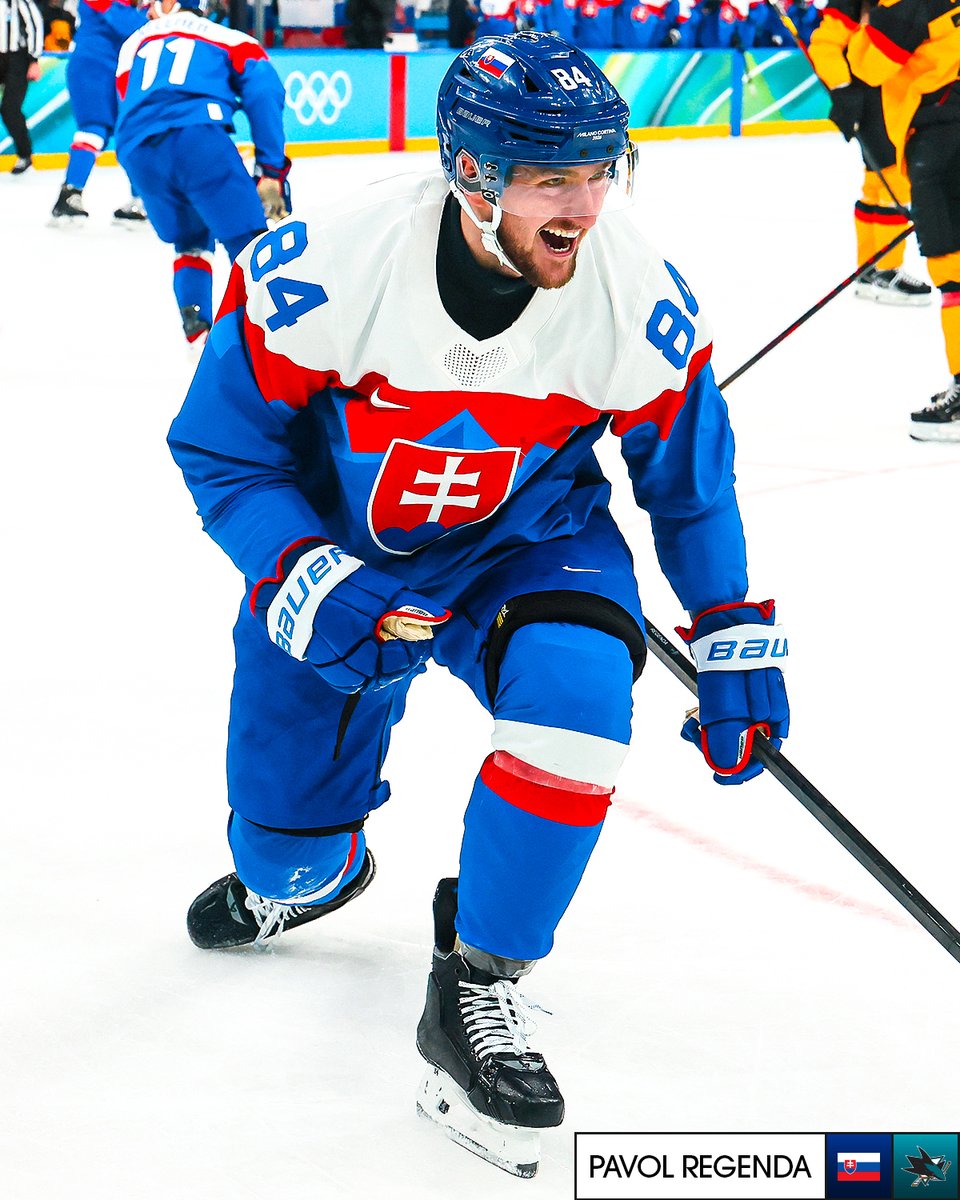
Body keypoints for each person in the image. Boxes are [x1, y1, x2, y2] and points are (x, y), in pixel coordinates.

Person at [167, 31, 789, 1177]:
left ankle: (480, 981)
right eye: (555, 177)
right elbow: (221, 448)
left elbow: (688, 487)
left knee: (578, 704)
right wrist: (299, 570)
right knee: (285, 859)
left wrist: (732, 628)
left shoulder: (638, 295)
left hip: (528, 545)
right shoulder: (325, 268)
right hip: (347, 561)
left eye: (602, 172)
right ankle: (307, 872)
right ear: (472, 173)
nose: (586, 206)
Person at [113, 0, 290, 346]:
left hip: (136, 148)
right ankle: (277, 336)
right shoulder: (231, 38)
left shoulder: (134, 42)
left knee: (190, 241)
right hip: (197, 136)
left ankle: (198, 334)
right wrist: (271, 170)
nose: (146, 10)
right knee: (249, 242)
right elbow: (264, 91)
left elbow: (128, 98)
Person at [847, 0, 960, 438]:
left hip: (941, 140)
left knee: (953, 274)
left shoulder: (906, 5)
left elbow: (868, 65)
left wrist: (865, 20)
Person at [807, 0, 931, 305]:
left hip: (890, 99)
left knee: (877, 185)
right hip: (873, 102)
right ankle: (887, 271)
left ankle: (869, 269)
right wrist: (843, 89)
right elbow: (824, 44)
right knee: (892, 184)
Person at [48, 0, 146, 223]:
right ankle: (71, 192)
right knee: (94, 128)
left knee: (129, 132)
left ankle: (141, 198)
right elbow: (129, 25)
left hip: (112, 70)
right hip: (93, 68)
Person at [0, 0, 44, 174]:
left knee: (10, 109)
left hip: (17, 59)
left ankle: (25, 154)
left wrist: (34, 60)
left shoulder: (20, 2)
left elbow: (35, 25)